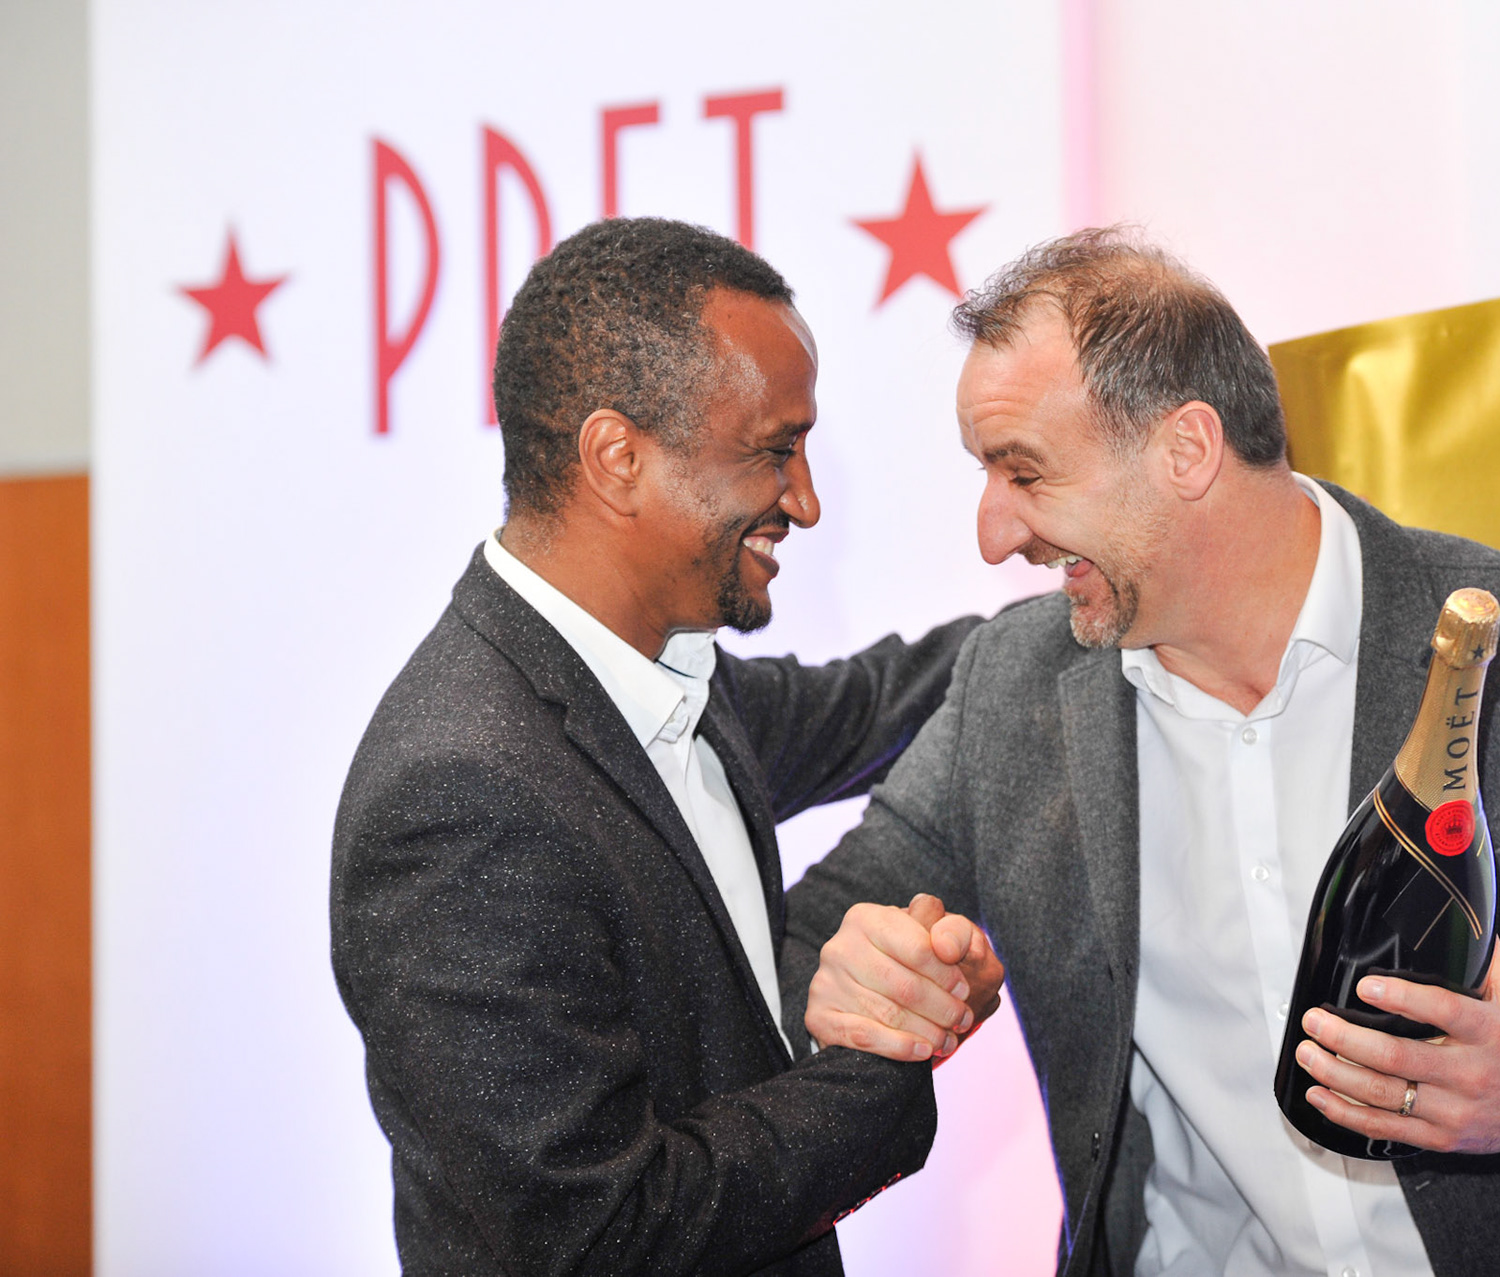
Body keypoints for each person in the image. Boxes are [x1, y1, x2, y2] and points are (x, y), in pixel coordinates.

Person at [788, 228, 1500, 1276]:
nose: (995, 535)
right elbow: (801, 940)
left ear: (1187, 448)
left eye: (1024, 472)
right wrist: (850, 970)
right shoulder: (1012, 686)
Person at [331, 217, 1000, 1277]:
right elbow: (597, 1232)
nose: (806, 500)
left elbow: (880, 701)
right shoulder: (460, 794)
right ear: (618, 458)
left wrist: (1095, 598)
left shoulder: (673, 673)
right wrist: (884, 1059)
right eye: (774, 450)